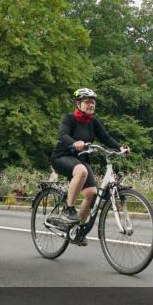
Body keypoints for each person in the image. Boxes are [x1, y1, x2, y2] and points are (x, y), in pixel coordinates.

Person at [49, 88, 128, 245]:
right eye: (87, 102)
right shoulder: (69, 119)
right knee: (82, 171)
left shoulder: (93, 122)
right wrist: (74, 143)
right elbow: (62, 135)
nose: (91, 105)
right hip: (62, 157)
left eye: (93, 102)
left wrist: (120, 148)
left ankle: (77, 230)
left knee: (92, 193)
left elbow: (105, 137)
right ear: (78, 104)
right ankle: (69, 209)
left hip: (81, 160)